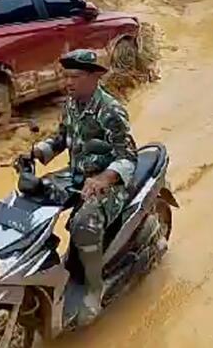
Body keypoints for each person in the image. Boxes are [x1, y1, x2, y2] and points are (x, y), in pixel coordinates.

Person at [28, 49, 137, 325]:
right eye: (66, 76)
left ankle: (93, 288)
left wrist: (104, 179)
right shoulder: (71, 103)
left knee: (84, 224)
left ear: (94, 77)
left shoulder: (110, 111)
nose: (68, 82)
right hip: (77, 175)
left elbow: (128, 156)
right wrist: (38, 152)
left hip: (108, 182)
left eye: (75, 76)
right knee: (30, 198)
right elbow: (63, 137)